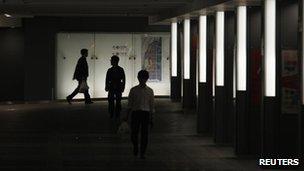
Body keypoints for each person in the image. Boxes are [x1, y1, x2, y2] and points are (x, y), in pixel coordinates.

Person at [125, 70, 155, 159]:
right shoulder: (133, 90)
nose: (142, 80)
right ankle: (135, 146)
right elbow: (130, 104)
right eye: (140, 78)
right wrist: (126, 115)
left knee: (144, 134)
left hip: (145, 114)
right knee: (134, 133)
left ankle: (142, 152)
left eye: (144, 78)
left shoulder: (150, 91)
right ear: (138, 78)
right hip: (136, 113)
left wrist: (152, 117)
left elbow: (152, 105)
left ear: (146, 79)